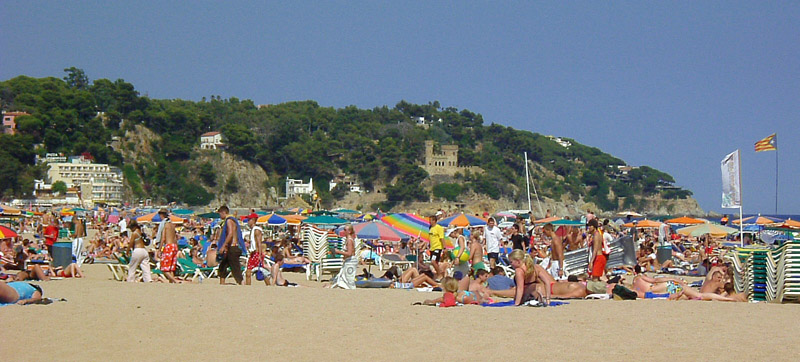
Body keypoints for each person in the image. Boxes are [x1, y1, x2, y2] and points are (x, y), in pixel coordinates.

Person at [217, 205, 247, 285]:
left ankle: (242, 283)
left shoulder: (229, 221)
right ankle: (222, 284)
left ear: (223, 212)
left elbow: (230, 234)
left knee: (235, 268)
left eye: (220, 213)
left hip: (233, 247)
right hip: (231, 248)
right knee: (222, 266)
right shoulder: (230, 220)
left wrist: (223, 246)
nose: (219, 215)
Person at [328, 224, 357, 289]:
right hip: (348, 261)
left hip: (350, 261)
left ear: (349, 231)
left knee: (348, 280)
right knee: (343, 278)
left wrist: (338, 251)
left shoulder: (349, 240)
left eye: (345, 230)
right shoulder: (349, 239)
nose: (343, 231)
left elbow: (349, 253)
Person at [157, 210, 180, 284]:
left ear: (161, 215)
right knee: (171, 268)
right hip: (174, 246)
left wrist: (159, 250)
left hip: (169, 246)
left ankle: (174, 281)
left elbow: (163, 238)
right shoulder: (172, 225)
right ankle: (171, 283)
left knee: (164, 268)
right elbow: (175, 237)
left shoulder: (165, 225)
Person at [244, 214, 268, 286]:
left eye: (249, 220)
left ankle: (269, 285)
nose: (248, 222)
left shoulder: (256, 230)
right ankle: (248, 286)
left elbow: (259, 243)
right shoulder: (253, 230)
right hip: (253, 253)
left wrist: (260, 254)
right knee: (252, 272)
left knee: (258, 271)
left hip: (256, 253)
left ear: (253, 220)